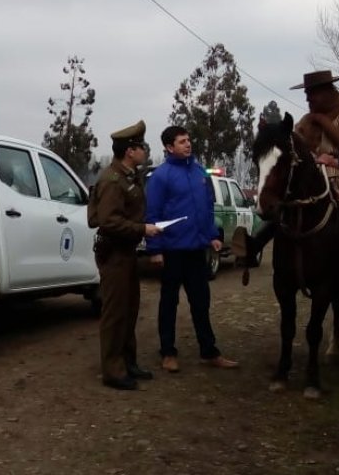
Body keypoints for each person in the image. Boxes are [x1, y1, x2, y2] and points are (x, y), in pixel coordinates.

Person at [232, 70, 339, 269]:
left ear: (327, 92)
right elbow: (296, 149)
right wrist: (314, 159)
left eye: (311, 93)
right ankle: (255, 244)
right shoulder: (306, 120)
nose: (307, 98)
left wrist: (338, 161)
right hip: (313, 174)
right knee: (289, 199)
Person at [145, 125, 238, 373]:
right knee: (169, 303)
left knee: (201, 302)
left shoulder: (199, 172)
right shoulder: (161, 177)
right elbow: (152, 214)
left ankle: (209, 351)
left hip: (197, 249)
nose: (188, 144)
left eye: (188, 140)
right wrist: (155, 249)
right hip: (173, 250)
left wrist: (211, 236)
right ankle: (167, 352)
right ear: (168, 147)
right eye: (182, 141)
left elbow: (206, 208)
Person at [88, 120, 162, 390]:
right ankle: (112, 370)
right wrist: (142, 228)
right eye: (141, 146)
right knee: (115, 313)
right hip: (114, 252)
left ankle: (128, 362)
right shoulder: (112, 179)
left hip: (127, 251)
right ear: (130, 151)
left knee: (129, 310)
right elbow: (107, 220)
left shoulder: (131, 177)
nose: (144, 150)